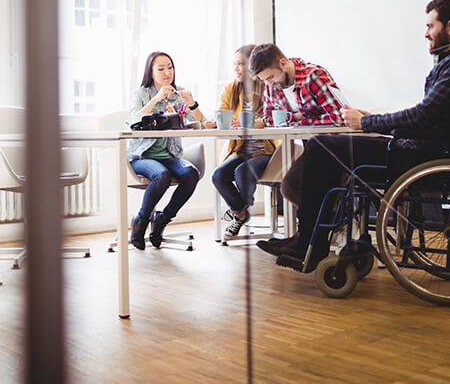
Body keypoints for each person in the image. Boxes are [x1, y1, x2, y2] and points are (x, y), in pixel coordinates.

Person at [256, 0, 450, 271]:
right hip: (425, 151)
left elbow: (424, 115)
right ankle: (310, 238)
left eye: (431, 26)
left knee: (322, 146)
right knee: (326, 147)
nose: (426, 33)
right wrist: (372, 119)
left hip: (420, 158)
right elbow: (429, 114)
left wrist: (368, 124)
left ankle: (309, 240)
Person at [126, 51, 205, 250]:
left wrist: (192, 104)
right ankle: (141, 221)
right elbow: (133, 120)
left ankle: (162, 218)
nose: (166, 72)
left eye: (169, 67)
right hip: (143, 155)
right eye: (160, 69)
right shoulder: (141, 94)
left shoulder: (179, 94)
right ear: (150, 72)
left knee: (190, 173)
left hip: (170, 155)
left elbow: (203, 122)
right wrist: (157, 98)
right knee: (161, 175)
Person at [209, 45, 279, 237]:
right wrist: (217, 122)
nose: (236, 68)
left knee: (242, 172)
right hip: (241, 150)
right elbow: (224, 113)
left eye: (241, 63)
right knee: (218, 176)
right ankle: (240, 213)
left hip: (267, 151)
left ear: (253, 65)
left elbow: (271, 120)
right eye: (235, 64)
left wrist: (245, 123)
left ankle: (238, 212)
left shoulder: (268, 87)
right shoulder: (232, 89)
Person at [247, 43, 346, 127]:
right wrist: (295, 117)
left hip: (329, 143)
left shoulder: (313, 76)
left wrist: (302, 122)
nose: (269, 84)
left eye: (271, 77)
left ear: (283, 63)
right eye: (264, 80)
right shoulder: (271, 85)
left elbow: (338, 117)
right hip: (297, 143)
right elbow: (268, 120)